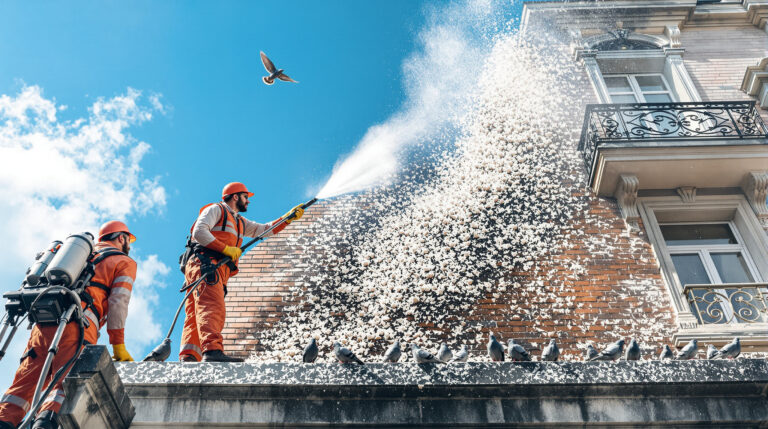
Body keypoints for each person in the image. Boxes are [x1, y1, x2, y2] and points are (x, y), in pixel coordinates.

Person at [0, 221, 138, 429]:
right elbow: (119, 302)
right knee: (62, 383)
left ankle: (4, 420)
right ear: (121, 238)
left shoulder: (76, 256)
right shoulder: (123, 261)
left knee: (23, 384)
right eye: (128, 240)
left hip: (43, 322)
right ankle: (44, 423)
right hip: (77, 325)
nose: (129, 245)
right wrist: (118, 345)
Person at [179, 182, 304, 363]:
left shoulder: (239, 221)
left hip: (208, 267)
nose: (248, 201)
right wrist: (225, 249)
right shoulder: (217, 210)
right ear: (235, 196)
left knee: (196, 313)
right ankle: (212, 351)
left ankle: (189, 357)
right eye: (246, 197)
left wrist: (287, 218)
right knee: (212, 307)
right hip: (206, 264)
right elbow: (199, 232)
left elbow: (264, 230)